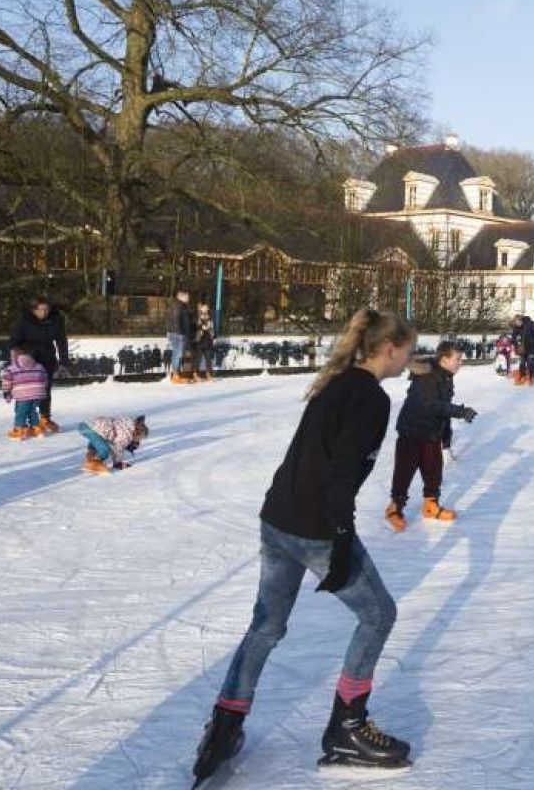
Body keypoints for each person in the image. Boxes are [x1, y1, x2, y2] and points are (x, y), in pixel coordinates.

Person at [193, 309, 417, 784]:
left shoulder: (335, 381)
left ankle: (223, 727)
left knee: (267, 626)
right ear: (389, 348)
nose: (410, 360)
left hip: (277, 519)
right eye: (409, 351)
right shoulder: (371, 399)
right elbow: (341, 476)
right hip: (314, 527)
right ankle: (347, 728)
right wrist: (339, 539)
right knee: (379, 614)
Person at [386, 342, 477, 531]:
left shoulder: (445, 376)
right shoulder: (429, 377)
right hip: (412, 431)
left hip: (430, 432)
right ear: (444, 359)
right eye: (457, 359)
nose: (460, 363)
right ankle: (394, 508)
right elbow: (432, 405)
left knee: (434, 471)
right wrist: (460, 411)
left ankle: (430, 505)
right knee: (405, 471)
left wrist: (445, 436)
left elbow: (442, 409)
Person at [9, 296, 70, 433]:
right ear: (33, 309)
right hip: (27, 359)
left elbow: (61, 340)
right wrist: (17, 362)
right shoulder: (24, 320)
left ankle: (44, 417)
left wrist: (64, 361)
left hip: (47, 357)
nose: (44, 312)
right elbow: (14, 342)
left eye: (46, 309)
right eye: (40, 309)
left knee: (45, 389)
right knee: (26, 392)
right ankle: (22, 422)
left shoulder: (56, 319)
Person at [1, 346, 50, 440]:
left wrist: (7, 392)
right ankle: (36, 428)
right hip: (37, 394)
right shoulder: (38, 365)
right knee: (32, 411)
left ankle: (19, 429)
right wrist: (41, 389)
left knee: (20, 412)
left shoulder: (11, 368)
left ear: (15, 357)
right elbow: (45, 378)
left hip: (23, 394)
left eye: (11, 356)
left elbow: (7, 381)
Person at [77, 414, 149, 474]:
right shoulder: (127, 434)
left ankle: (90, 459)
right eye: (139, 439)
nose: (138, 441)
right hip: (92, 428)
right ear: (137, 434)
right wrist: (117, 463)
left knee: (98, 442)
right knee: (104, 449)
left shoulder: (127, 424)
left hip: (85, 425)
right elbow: (118, 448)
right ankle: (94, 464)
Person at [167, 289, 194, 384]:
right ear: (181, 296)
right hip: (177, 334)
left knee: (178, 354)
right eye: (187, 296)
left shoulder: (181, 306)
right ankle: (175, 375)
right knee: (177, 354)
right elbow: (176, 319)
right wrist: (180, 333)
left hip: (178, 333)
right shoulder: (178, 306)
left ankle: (176, 374)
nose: (188, 298)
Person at [194, 301, 216, 382]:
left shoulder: (210, 318)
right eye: (205, 308)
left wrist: (211, 333)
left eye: (207, 308)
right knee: (198, 358)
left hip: (208, 340)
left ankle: (208, 374)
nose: (206, 309)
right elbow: (196, 327)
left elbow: (212, 330)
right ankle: (195, 374)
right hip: (200, 340)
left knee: (208, 359)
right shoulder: (198, 317)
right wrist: (201, 328)